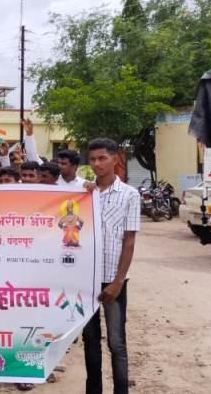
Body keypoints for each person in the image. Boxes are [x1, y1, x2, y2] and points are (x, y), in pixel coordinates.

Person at [83, 138, 139, 394]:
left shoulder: (129, 195)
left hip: (113, 280)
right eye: (92, 159)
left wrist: (118, 281)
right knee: (90, 340)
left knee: (117, 343)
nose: (97, 163)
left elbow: (129, 241)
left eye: (102, 158)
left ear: (116, 158)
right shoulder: (85, 194)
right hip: (85, 280)